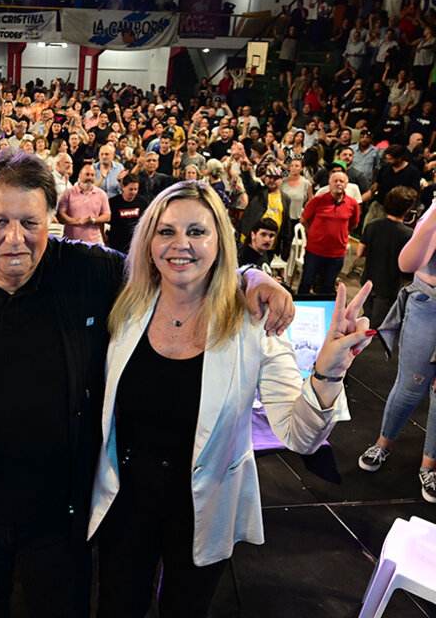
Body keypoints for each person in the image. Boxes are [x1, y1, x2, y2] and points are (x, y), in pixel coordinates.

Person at [0, 150, 293, 618]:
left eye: (30, 222)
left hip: (60, 512)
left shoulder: (90, 270)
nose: (14, 239)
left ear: (52, 222)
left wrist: (249, 275)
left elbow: (173, 268)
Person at [90, 180, 373, 618]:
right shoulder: (125, 307)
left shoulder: (253, 321)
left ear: (220, 241)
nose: (180, 244)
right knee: (116, 606)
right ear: (148, 243)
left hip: (204, 506)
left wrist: (329, 371)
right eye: (165, 232)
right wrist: (253, 275)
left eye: (197, 232)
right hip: (125, 501)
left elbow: (300, 437)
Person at [359, 200, 436, 504]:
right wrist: (431, 221)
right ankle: (383, 444)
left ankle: (429, 465)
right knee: (410, 385)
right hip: (428, 306)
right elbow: (407, 264)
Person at [358, 186, 416, 328]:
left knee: (366, 320)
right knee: (378, 328)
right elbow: (408, 265)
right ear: (407, 210)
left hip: (368, 282)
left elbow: (360, 252)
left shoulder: (372, 225)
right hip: (389, 288)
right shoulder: (408, 234)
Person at [297, 170, 360, 295]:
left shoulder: (353, 204)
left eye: (341, 181)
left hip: (337, 253)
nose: (338, 183)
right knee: (307, 281)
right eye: (335, 181)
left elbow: (354, 224)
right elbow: (303, 220)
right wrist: (313, 233)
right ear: (329, 184)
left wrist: (341, 234)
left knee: (329, 285)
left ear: (346, 184)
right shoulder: (317, 200)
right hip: (315, 250)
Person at [57, 164, 110, 244]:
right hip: (70, 242)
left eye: (92, 175)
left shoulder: (101, 194)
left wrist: (92, 220)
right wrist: (76, 221)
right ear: (80, 175)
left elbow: (107, 216)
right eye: (87, 174)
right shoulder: (68, 193)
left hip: (92, 243)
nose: (89, 177)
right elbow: (60, 215)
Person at [108, 173, 145, 254]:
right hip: (117, 242)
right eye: (131, 189)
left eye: (136, 189)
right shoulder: (113, 202)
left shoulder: (142, 202)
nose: (133, 192)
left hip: (136, 242)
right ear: (123, 187)